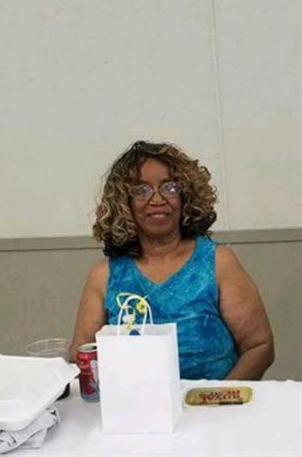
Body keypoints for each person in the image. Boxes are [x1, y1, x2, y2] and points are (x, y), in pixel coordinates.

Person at [69, 140, 274, 380]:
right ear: (124, 204)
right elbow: (81, 357)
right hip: (133, 409)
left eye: (170, 187)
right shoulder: (105, 275)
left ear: (186, 196)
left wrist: (217, 399)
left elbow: (260, 347)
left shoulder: (218, 263)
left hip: (216, 409)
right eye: (141, 190)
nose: (157, 199)